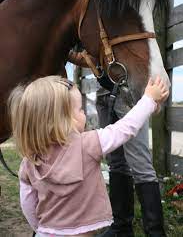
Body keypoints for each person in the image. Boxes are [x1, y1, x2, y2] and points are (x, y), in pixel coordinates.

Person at [8, 75, 168, 237]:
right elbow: (125, 128)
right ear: (61, 120)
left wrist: (41, 229)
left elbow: (27, 202)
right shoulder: (88, 145)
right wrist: (149, 99)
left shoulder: (29, 161)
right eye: (80, 109)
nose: (84, 113)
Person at [96, 83, 168, 237]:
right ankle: (121, 228)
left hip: (128, 87)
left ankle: (155, 233)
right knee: (115, 163)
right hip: (103, 89)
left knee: (141, 166)